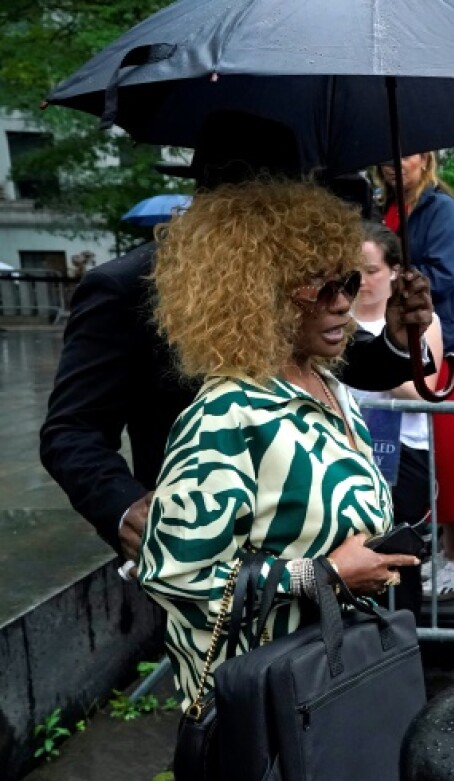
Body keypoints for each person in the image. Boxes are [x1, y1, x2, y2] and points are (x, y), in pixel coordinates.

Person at [40, 111, 432, 574]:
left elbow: (357, 359)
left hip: (310, 541)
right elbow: (72, 429)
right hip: (205, 550)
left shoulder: (301, 271)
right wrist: (123, 507)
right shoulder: (126, 287)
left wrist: (400, 338)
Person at [139, 179, 421, 709]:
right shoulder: (225, 417)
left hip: (330, 685)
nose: (344, 303)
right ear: (258, 297)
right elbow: (175, 576)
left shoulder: (333, 389)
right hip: (262, 709)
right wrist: (323, 575)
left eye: (348, 281)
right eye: (320, 289)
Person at [382, 152, 454, 600]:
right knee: (435, 455)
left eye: (404, 154)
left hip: (452, 343)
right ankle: (449, 551)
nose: (392, 162)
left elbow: (443, 275)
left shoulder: (440, 207)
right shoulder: (388, 205)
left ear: (426, 158)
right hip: (415, 338)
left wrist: (387, 278)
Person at [351, 221, 445, 530]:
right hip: (348, 442)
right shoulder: (338, 319)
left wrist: (386, 358)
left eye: (371, 271)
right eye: (353, 271)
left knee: (399, 538)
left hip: (403, 447)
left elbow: (422, 392)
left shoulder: (422, 320)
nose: (361, 281)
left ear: (394, 271)